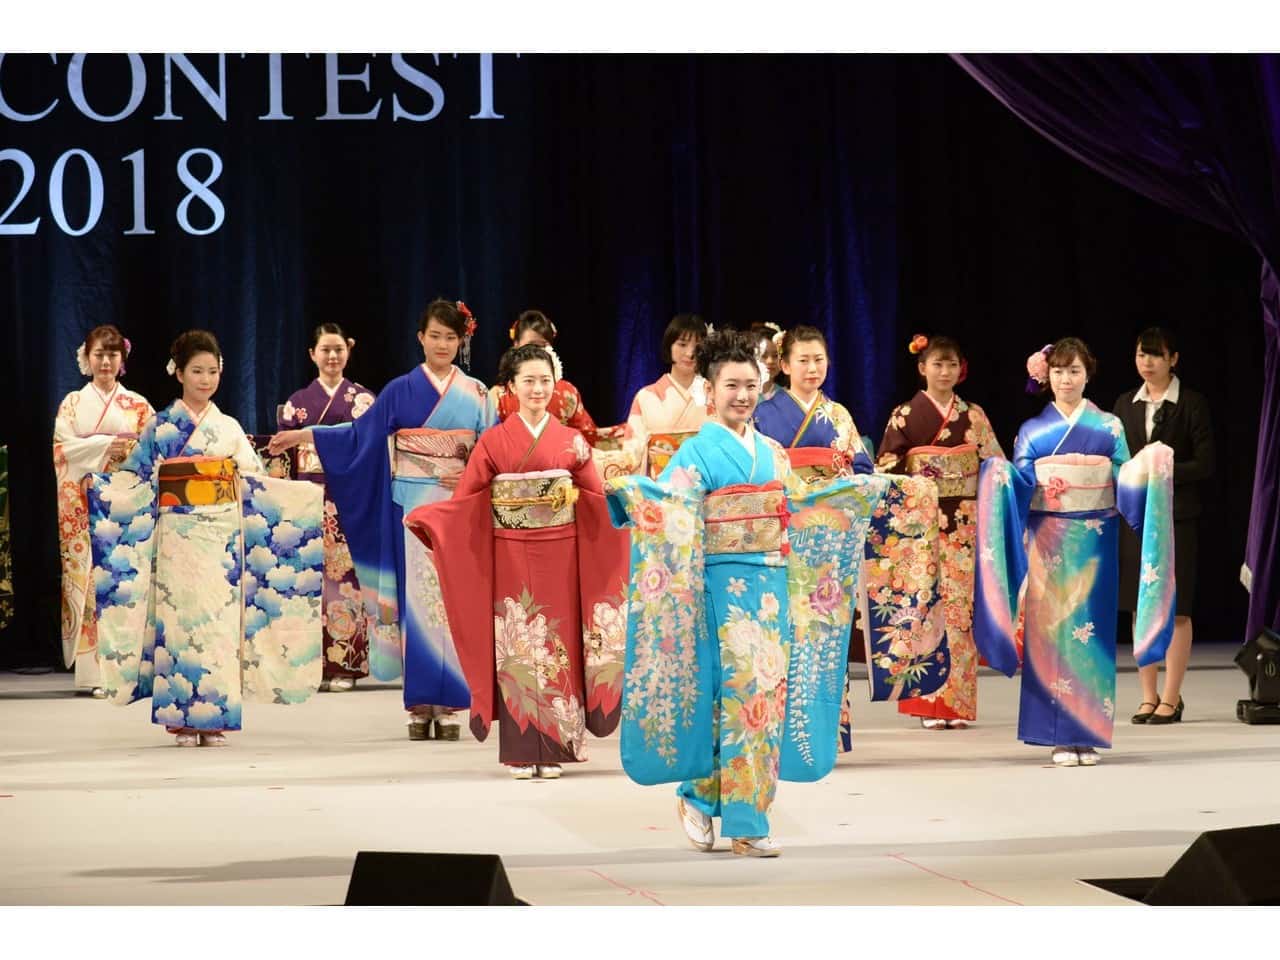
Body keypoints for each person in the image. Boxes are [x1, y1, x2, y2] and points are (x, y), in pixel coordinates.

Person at [606, 331, 939, 857]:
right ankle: (701, 798)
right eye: (730, 385)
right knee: (727, 698)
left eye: (749, 385)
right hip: (718, 585)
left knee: (763, 700)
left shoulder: (773, 453)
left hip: (771, 586)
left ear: (761, 389)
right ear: (710, 394)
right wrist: (628, 490)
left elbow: (804, 505)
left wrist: (860, 492)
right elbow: (668, 501)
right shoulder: (698, 451)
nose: (741, 395)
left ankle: (746, 818)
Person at [269, 300, 495, 740]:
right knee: (417, 607)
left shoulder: (479, 394)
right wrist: (306, 433)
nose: (443, 344)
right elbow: (360, 436)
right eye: (435, 335)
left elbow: (488, 452)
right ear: (420, 338)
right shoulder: (399, 390)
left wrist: (472, 487)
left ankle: (449, 703)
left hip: (459, 507)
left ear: (461, 340)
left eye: (451, 337)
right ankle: (419, 703)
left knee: (451, 604)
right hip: (410, 508)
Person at [86, 330, 325, 746]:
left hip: (223, 541)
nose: (205, 379)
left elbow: (254, 483)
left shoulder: (228, 428)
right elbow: (134, 482)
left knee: (217, 628)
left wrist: (300, 498)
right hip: (177, 539)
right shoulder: (160, 428)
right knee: (179, 626)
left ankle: (217, 715)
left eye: (212, 371)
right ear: (178, 372)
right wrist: (104, 490)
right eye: (196, 371)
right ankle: (182, 716)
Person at [404, 344, 630, 779]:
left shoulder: (572, 442)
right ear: (510, 387)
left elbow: (597, 499)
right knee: (519, 642)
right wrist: (434, 520)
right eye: (528, 381)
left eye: (545, 381)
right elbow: (468, 502)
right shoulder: (494, 442)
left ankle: (560, 747)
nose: (538, 389)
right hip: (510, 552)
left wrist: (626, 505)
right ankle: (522, 749)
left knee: (557, 644)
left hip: (562, 553)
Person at [973, 337, 1176, 767]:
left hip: (1096, 538)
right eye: (1060, 371)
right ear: (1048, 377)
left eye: (1075, 371)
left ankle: (1087, 731)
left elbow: (1124, 475)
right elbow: (1021, 482)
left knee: (1092, 633)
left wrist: (1150, 464)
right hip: (1048, 537)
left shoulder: (1108, 427)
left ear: (1088, 374)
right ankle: (1057, 734)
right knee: (1051, 636)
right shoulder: (1032, 430)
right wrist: (1002, 475)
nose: (1067, 380)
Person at [877, 334, 1004, 730]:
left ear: (960, 370)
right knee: (923, 607)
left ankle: (957, 702)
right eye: (937, 364)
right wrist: (919, 489)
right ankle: (926, 702)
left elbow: (996, 465)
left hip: (965, 524)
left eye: (951, 365)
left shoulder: (974, 416)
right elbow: (887, 467)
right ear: (922, 368)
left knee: (959, 613)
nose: (945, 372)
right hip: (921, 524)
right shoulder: (904, 415)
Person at [1113, 327, 1214, 725]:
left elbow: (1206, 464)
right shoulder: (1125, 403)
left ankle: (1172, 697)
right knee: (1141, 606)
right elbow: (1118, 460)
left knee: (1177, 608)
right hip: (1136, 520)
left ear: (1174, 359)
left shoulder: (1191, 403)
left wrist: (1162, 469)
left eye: (1156, 355)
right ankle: (1148, 695)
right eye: (1142, 355)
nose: (1147, 363)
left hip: (1177, 519)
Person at [53, 325, 154, 695]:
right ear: (87, 358)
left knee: (123, 578)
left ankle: (127, 670)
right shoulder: (72, 403)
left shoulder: (139, 406)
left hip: (125, 505)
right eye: (99, 354)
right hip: (83, 501)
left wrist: (122, 451)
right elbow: (62, 449)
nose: (106, 361)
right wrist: (104, 446)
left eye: (113, 355)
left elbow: (152, 450)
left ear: (122, 360)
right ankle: (92, 674)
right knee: (91, 581)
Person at [277, 323, 377, 692]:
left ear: (348, 350)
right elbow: (285, 457)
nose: (332, 356)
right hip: (308, 498)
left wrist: (311, 438)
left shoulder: (363, 400)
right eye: (325, 350)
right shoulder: (298, 402)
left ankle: (346, 664)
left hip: (348, 497)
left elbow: (368, 446)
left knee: (346, 582)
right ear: (312, 354)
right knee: (308, 582)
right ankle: (309, 665)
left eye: (338, 349)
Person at [753, 325, 874, 480]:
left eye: (818, 360)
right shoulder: (760, 415)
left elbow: (863, 468)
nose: (812, 368)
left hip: (835, 499)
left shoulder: (839, 414)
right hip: (784, 500)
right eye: (803, 360)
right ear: (785, 366)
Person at [617, 313, 712, 478]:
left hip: (707, 482)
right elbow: (632, 452)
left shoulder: (715, 394)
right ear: (669, 346)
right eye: (682, 344)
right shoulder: (646, 396)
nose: (690, 353)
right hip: (660, 487)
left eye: (698, 346)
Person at [489, 310, 600, 442]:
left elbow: (586, 435)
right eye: (533, 345)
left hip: (559, 460)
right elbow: (490, 440)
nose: (538, 351)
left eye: (544, 346)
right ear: (516, 344)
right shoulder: (498, 395)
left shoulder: (568, 392)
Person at [748, 322, 784, 401]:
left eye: (775, 356)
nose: (770, 361)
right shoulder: (744, 394)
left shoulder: (786, 396)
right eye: (763, 356)